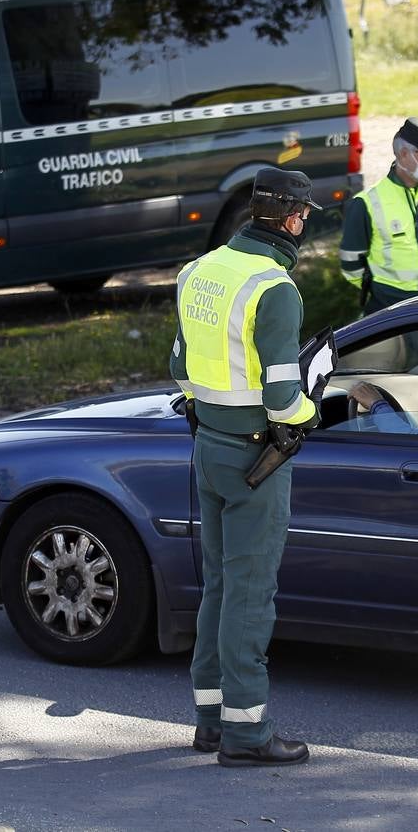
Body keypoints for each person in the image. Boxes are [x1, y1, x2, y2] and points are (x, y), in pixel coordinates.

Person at [170, 168, 320, 769]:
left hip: (208, 445)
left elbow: (181, 367)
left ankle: (210, 721)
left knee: (220, 589)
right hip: (259, 455)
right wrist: (313, 410)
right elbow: (285, 398)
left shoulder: (198, 271)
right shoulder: (275, 288)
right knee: (251, 597)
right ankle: (247, 734)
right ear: (289, 218)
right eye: (305, 218)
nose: (304, 227)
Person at [339, 117, 418, 315]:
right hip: (390, 306)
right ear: (402, 154)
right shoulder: (367, 202)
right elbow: (350, 263)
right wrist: (384, 291)